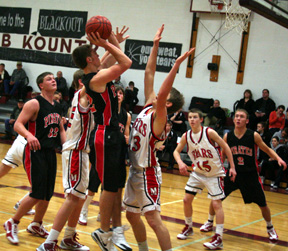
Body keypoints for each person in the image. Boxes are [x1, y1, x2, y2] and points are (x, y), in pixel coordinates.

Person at [123, 24, 194, 251]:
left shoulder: (160, 116)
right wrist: (155, 45)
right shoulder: (147, 108)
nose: (153, 94)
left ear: (168, 104)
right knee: (132, 216)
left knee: (153, 219)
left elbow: (161, 93)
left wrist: (175, 65)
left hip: (148, 172)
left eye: (160, 96)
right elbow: (149, 73)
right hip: (135, 170)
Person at [72, 26, 131, 251]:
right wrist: (107, 43)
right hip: (104, 134)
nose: (100, 55)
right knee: (108, 186)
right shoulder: (94, 80)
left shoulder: (97, 74)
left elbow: (116, 53)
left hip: (112, 134)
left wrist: (113, 40)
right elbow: (126, 63)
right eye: (96, 53)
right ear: (89, 59)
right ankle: (103, 230)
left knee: (115, 187)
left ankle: (115, 231)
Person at [201, 109, 287, 242]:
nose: (238, 119)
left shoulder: (253, 135)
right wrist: (218, 170)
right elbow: (223, 154)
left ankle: (270, 228)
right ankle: (209, 222)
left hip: (250, 175)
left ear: (247, 121)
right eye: (236, 116)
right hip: (232, 174)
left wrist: (278, 159)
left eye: (241, 117)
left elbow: (267, 149)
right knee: (216, 198)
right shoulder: (227, 136)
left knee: (263, 204)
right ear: (234, 119)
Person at [3, 72, 66, 245]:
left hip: (50, 152)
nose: (53, 80)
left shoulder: (57, 105)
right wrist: (29, 136)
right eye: (48, 79)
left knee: (47, 194)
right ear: (41, 86)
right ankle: (12, 222)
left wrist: (67, 148)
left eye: (54, 78)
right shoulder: (34, 103)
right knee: (37, 192)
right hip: (35, 151)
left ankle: (36, 224)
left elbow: (61, 129)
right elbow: (17, 124)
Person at [37, 70, 94, 251]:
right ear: (82, 82)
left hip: (82, 151)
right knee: (72, 198)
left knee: (79, 197)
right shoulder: (82, 96)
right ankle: (49, 242)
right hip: (76, 151)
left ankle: (68, 237)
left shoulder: (85, 98)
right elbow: (99, 73)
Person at [173, 108, 236, 250]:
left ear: (201, 119)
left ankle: (218, 237)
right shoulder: (186, 136)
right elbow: (176, 151)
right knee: (186, 199)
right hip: (198, 173)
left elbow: (225, 146)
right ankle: (188, 227)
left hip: (214, 174)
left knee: (216, 204)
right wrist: (180, 162)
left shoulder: (209, 132)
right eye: (190, 117)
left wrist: (232, 166)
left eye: (195, 117)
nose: (192, 120)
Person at [0, 134, 35, 215]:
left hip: (19, 141)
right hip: (31, 146)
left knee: (3, 168)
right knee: (41, 183)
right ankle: (22, 205)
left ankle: (22, 204)